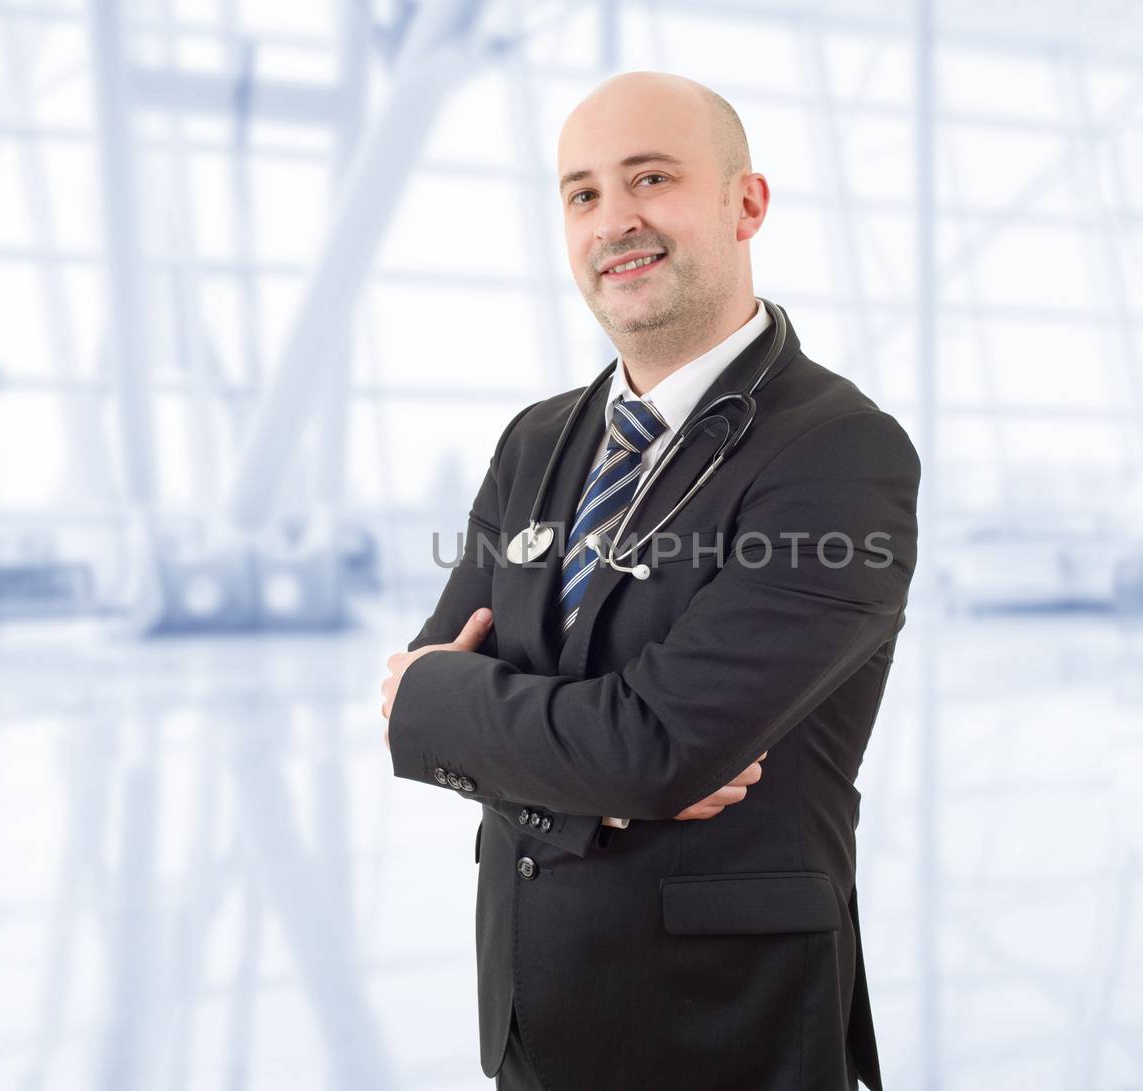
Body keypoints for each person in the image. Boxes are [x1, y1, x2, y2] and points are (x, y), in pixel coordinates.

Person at [379, 70, 918, 1091]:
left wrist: (481, 710)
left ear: (745, 203)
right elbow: (422, 703)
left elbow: (659, 744)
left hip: (724, 1031)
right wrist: (595, 761)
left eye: (651, 179)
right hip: (531, 1026)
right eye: (582, 194)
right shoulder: (536, 439)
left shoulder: (841, 452)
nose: (614, 220)